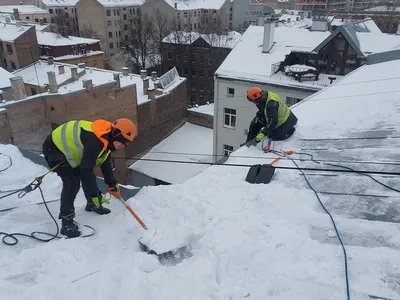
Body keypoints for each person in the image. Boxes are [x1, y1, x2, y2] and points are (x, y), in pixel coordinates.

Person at [42, 118, 137, 238]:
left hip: (66, 149)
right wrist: (94, 195)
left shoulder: (107, 139)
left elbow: (105, 163)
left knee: (84, 170)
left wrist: (112, 184)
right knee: (72, 181)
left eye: (126, 143)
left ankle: (92, 204)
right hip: (54, 149)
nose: (122, 146)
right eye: (123, 142)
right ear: (117, 134)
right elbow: (85, 171)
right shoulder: (95, 141)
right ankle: (67, 222)